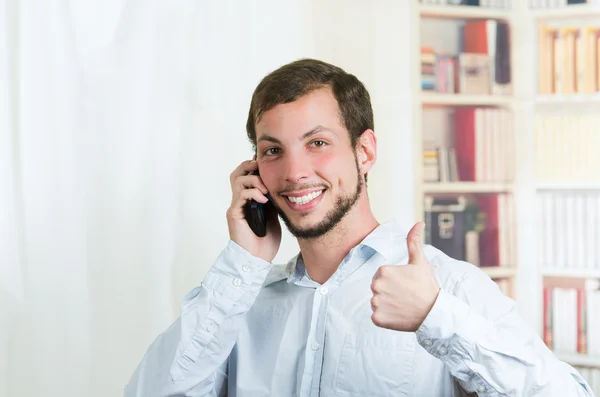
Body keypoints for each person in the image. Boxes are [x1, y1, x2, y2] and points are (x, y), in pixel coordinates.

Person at [124, 58, 595, 397]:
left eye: (317, 143)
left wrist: (437, 317)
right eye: (273, 151)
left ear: (364, 151)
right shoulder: (239, 303)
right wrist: (243, 264)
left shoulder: (444, 288)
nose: (294, 172)